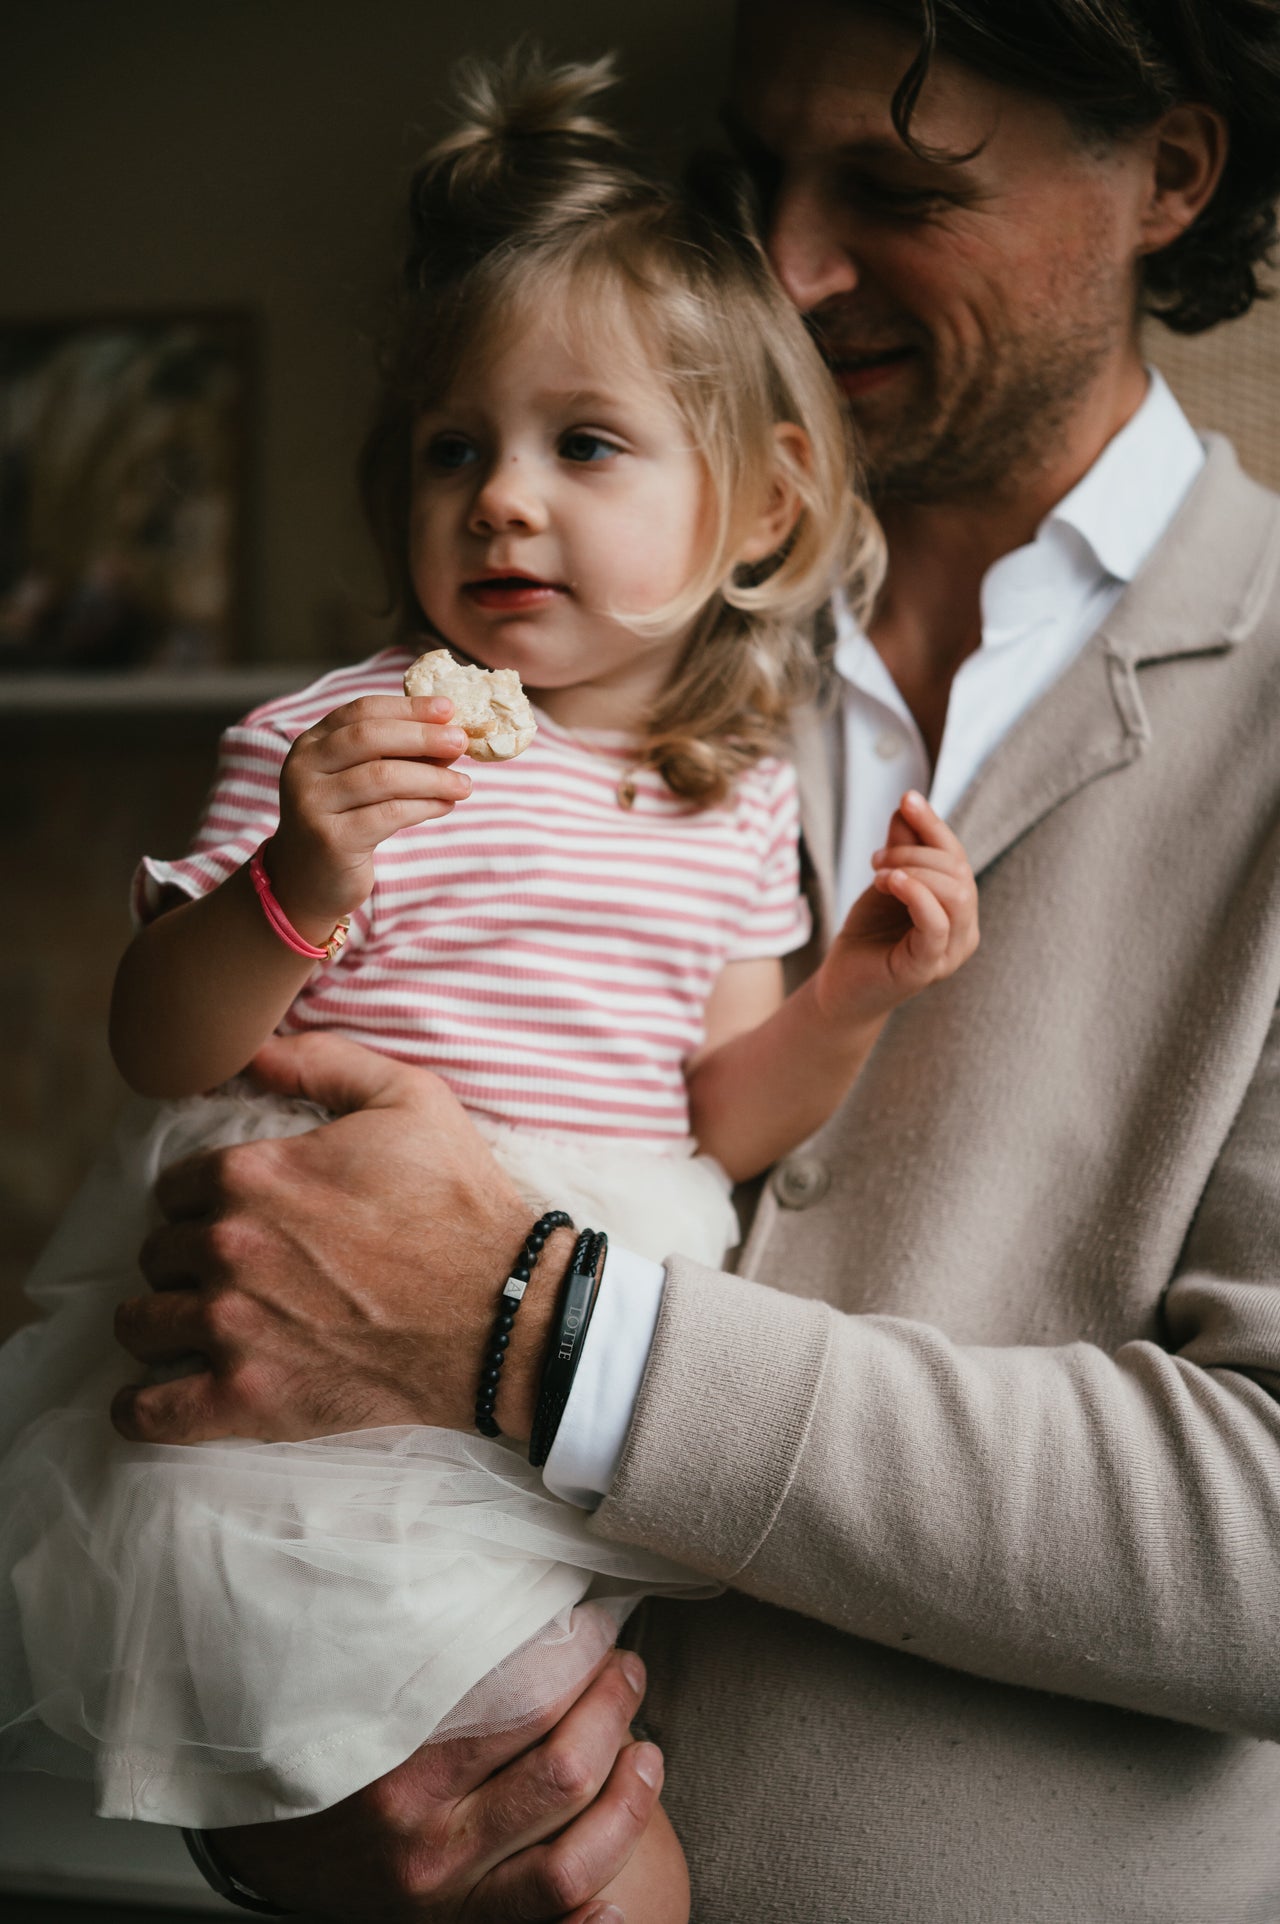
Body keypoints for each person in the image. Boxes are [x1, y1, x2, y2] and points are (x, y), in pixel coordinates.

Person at [101, 1, 1280, 1918]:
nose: (789, 272)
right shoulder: (583, 650)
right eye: (757, 183)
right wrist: (295, 1815)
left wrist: (533, 1324)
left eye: (897, 189)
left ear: (1170, 171)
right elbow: (232, 1292)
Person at [0, 48, 982, 1924]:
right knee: (542, 1826)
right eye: (460, 449)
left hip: (579, 1352)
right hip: (314, 1376)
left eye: (584, 445)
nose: (505, 502)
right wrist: (298, 881)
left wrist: (854, 993)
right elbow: (159, 1039)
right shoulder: (333, 744)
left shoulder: (725, 795)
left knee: (568, 1786)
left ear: (759, 507)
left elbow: (722, 1109)